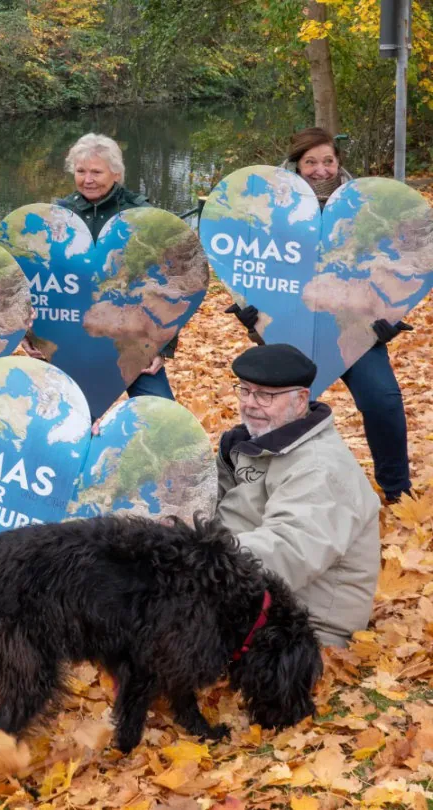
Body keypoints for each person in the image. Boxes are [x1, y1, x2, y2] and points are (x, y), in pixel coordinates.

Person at [226, 126, 412, 502]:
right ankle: (271, 485)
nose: (320, 170)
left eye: (328, 160)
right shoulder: (271, 212)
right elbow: (253, 265)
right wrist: (255, 317)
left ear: (339, 163)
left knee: (383, 399)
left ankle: (396, 488)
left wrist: (388, 317)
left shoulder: (366, 208)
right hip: (292, 328)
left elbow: (393, 265)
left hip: (353, 327)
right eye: (310, 162)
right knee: (276, 405)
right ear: (296, 166)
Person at [216, 343, 380, 647]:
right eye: (245, 390)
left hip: (300, 624)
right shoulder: (255, 441)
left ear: (301, 399)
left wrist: (199, 560)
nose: (250, 404)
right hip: (249, 592)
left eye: (265, 395)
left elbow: (288, 549)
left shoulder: (320, 467)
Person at [56, 132, 177, 399]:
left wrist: (162, 347)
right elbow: (42, 277)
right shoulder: (59, 214)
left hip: (132, 337)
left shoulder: (141, 213)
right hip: (75, 337)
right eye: (81, 171)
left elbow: (165, 284)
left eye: (96, 172)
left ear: (116, 174)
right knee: (70, 418)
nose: (87, 180)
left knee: (158, 411)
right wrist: (34, 336)